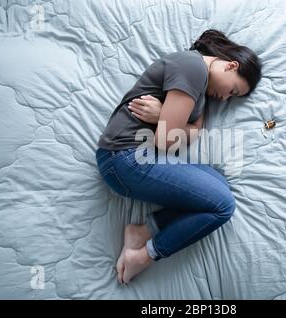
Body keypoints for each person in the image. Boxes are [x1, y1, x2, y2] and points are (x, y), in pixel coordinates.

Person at [95, 29, 262, 284]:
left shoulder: (201, 87)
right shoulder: (192, 67)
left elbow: (186, 133)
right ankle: (146, 255)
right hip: (123, 157)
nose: (226, 98)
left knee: (220, 186)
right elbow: (168, 140)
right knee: (223, 205)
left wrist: (166, 117)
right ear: (231, 66)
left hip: (137, 156)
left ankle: (143, 230)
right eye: (233, 91)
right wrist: (179, 125)